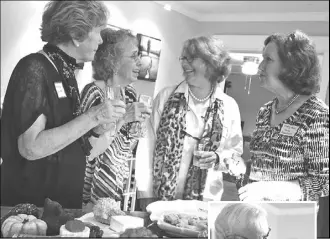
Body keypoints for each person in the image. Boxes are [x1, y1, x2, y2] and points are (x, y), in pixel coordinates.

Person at [0, 1, 127, 209]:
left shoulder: (65, 73)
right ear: (77, 36)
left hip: (60, 207)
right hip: (30, 211)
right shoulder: (35, 67)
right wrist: (93, 116)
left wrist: (95, 129)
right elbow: (30, 147)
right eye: (98, 32)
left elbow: (66, 141)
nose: (101, 40)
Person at [136, 35, 246, 210]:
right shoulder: (166, 97)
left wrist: (218, 158)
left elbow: (235, 155)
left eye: (191, 58)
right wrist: (144, 193)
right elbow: (146, 146)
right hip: (159, 199)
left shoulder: (229, 106)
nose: (184, 63)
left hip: (204, 202)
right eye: (183, 58)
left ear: (211, 64)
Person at [238, 30, 329, 202]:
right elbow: (264, 164)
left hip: (290, 221)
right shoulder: (265, 111)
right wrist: (241, 167)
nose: (260, 66)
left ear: (291, 67)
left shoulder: (316, 115)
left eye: (269, 59)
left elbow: (323, 182)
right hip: (255, 214)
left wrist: (272, 190)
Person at [80, 28, 151, 206]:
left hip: (117, 188)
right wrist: (123, 120)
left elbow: (128, 145)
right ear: (113, 61)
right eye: (133, 56)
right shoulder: (94, 94)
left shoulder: (131, 94)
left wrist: (140, 126)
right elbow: (87, 153)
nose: (139, 63)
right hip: (89, 191)